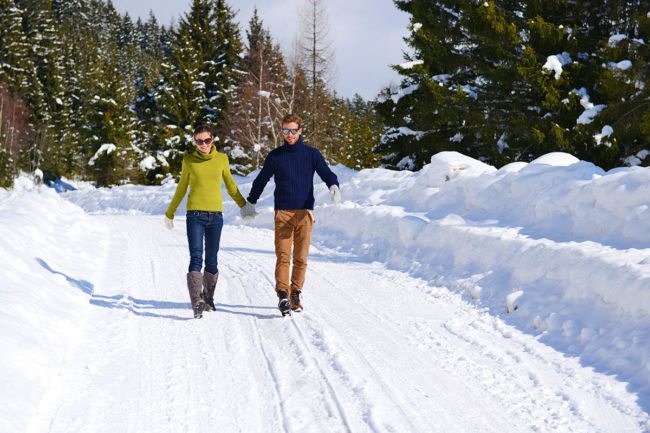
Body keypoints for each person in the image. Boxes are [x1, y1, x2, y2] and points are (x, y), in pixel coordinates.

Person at [240, 114, 341, 315]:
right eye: (286, 130)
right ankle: (283, 295)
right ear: (282, 132)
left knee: (301, 258)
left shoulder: (312, 154)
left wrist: (333, 185)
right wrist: (250, 202)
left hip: (304, 213)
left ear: (300, 131)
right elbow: (261, 180)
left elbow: (326, 172)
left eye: (293, 130)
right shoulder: (275, 156)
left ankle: (296, 292)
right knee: (283, 256)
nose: (290, 135)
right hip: (283, 213)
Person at [165, 124, 247, 319]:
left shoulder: (221, 159)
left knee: (212, 259)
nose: (203, 144)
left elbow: (230, 185)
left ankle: (208, 299)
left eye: (207, 140)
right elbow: (182, 188)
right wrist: (170, 212)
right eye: (199, 141)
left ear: (213, 140)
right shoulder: (188, 160)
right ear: (195, 142)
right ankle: (197, 301)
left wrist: (244, 205)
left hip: (216, 217)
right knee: (196, 257)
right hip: (194, 216)